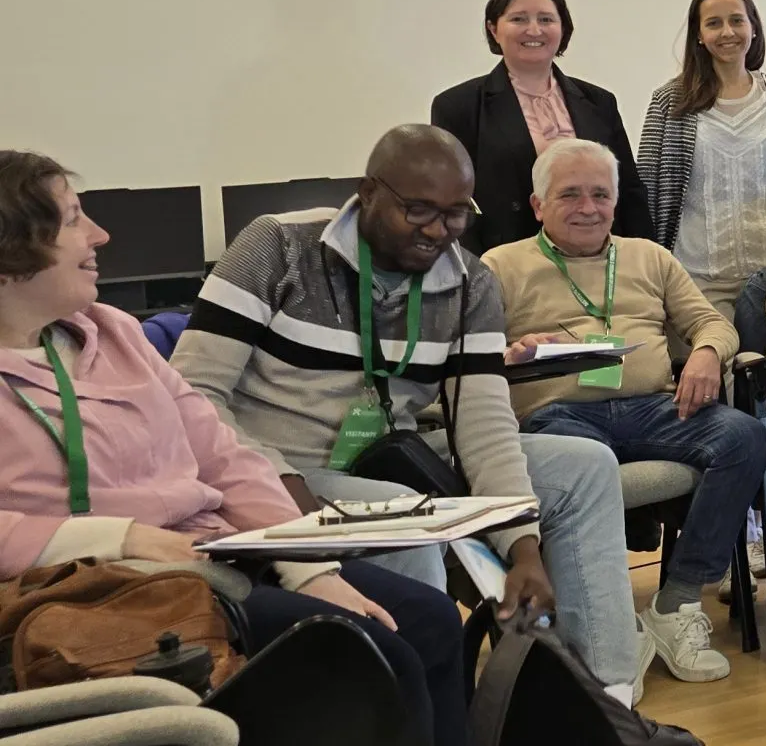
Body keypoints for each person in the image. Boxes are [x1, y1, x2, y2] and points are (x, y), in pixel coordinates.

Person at [171, 126, 651, 709]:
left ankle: (602, 700)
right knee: (404, 519)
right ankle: (422, 710)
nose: (436, 231)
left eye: (455, 214)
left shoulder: (470, 282)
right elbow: (192, 395)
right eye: (418, 209)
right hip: (280, 469)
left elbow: (485, 424)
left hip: (395, 456)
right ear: (367, 192)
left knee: (584, 465)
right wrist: (275, 480)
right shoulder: (276, 247)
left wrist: (523, 545)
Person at [0, 151, 467, 746]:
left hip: (219, 554)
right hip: (103, 587)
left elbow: (224, 454)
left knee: (428, 620)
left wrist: (309, 568)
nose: (100, 234)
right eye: (71, 220)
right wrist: (116, 537)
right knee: (366, 655)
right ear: (10, 249)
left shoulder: (113, 331)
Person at [485, 137, 766, 680]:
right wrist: (507, 356)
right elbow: (465, 359)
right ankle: (606, 621)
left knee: (744, 437)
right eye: (570, 195)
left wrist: (707, 353)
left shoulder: (650, 256)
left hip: (651, 408)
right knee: (581, 464)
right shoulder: (500, 266)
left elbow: (712, 323)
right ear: (538, 204)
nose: (588, 207)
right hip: (558, 417)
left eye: (601, 194)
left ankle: (677, 604)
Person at [432, 0, 651, 253]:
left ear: (563, 29)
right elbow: (452, 205)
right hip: (507, 266)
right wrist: (477, 278)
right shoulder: (457, 106)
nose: (534, 30)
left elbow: (629, 190)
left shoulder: (599, 101)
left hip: (599, 260)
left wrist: (644, 259)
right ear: (493, 29)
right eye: (519, 19)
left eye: (546, 19)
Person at [637, 0, 766, 326]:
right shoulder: (670, 101)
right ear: (699, 35)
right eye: (713, 23)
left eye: (737, 20)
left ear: (753, 28)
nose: (727, 32)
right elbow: (648, 191)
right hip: (697, 278)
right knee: (714, 373)